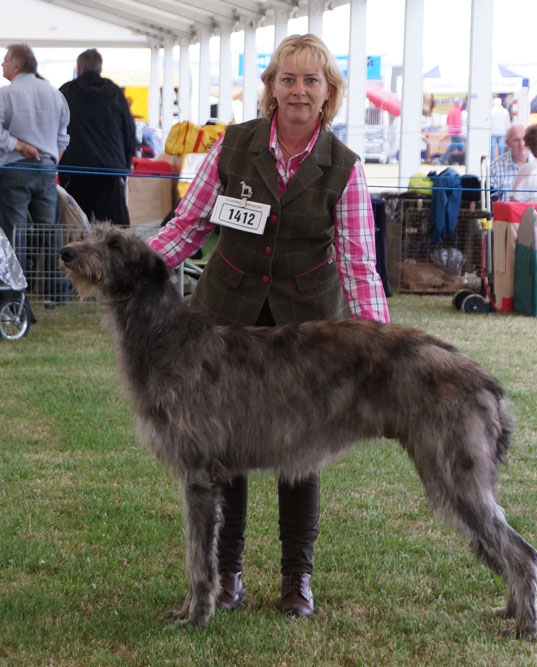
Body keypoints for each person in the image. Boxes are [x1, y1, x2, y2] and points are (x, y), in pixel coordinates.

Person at [148, 33, 389, 619]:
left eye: (311, 80)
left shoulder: (345, 168)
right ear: (271, 88)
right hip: (223, 320)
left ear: (328, 92)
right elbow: (188, 226)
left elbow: (358, 263)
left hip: (306, 328)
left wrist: (381, 344)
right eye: (287, 78)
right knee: (222, 448)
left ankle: (295, 579)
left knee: (296, 454)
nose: (298, 90)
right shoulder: (233, 148)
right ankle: (225, 576)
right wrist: (138, 268)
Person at [0, 44, 70, 300]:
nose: (2, 64)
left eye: (5, 60)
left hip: (14, 170)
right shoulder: (54, 94)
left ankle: (15, 292)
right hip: (47, 171)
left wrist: (19, 146)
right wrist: (50, 160)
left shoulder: (5, 95)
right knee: (50, 231)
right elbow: (63, 138)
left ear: (16, 66)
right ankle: (57, 292)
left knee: (14, 232)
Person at [59, 48, 137, 226]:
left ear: (78, 68)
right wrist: (124, 166)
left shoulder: (66, 92)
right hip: (110, 171)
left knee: (75, 228)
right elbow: (129, 133)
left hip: (75, 171)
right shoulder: (115, 93)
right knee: (113, 231)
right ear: (99, 68)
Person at [489, 124, 531, 202]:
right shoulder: (495, 168)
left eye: (524, 139)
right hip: (506, 214)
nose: (521, 144)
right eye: (516, 140)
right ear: (507, 143)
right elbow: (488, 201)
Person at [439, 98, 464, 164]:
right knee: (453, 148)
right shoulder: (458, 111)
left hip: (452, 132)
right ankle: (441, 160)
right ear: (459, 103)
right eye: (461, 103)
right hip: (456, 133)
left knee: (461, 148)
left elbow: (447, 121)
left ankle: (464, 161)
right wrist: (459, 131)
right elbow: (458, 122)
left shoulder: (451, 110)